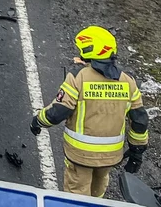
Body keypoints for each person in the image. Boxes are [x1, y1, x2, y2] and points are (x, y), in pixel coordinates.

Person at [30, 25, 149, 198]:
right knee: (97, 194)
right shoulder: (128, 81)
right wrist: (136, 153)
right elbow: (139, 120)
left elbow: (58, 112)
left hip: (80, 156)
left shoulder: (78, 77)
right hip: (109, 157)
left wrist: (38, 121)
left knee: (76, 197)